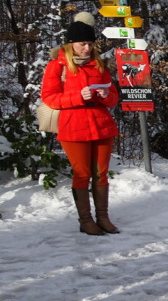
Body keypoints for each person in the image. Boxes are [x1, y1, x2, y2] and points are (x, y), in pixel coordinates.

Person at [40, 20, 121, 235]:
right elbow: (49, 98)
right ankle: (86, 221)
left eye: (90, 44)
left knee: (101, 173)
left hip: (101, 125)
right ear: (71, 44)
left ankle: (103, 217)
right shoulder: (57, 66)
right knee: (82, 174)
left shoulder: (99, 64)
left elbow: (113, 98)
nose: (87, 48)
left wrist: (106, 95)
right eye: (83, 44)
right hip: (73, 126)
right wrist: (77, 96)